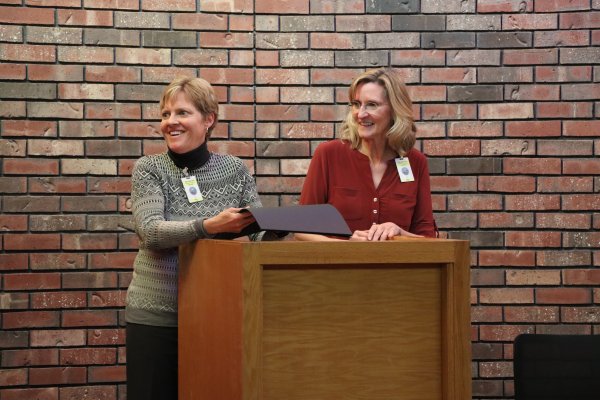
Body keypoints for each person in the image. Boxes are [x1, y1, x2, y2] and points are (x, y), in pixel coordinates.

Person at [125, 77, 262, 400]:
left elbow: (255, 232)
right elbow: (151, 231)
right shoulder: (149, 169)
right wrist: (210, 226)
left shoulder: (235, 169)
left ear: (208, 119)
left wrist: (292, 230)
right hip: (157, 315)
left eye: (182, 113)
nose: (170, 122)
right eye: (165, 114)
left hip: (218, 314)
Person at [296, 67, 437, 241]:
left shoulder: (416, 162)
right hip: (338, 267)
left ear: (394, 111)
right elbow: (302, 230)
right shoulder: (328, 155)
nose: (361, 114)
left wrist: (399, 232)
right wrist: (347, 247)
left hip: (396, 267)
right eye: (356, 104)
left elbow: (428, 239)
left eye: (372, 105)